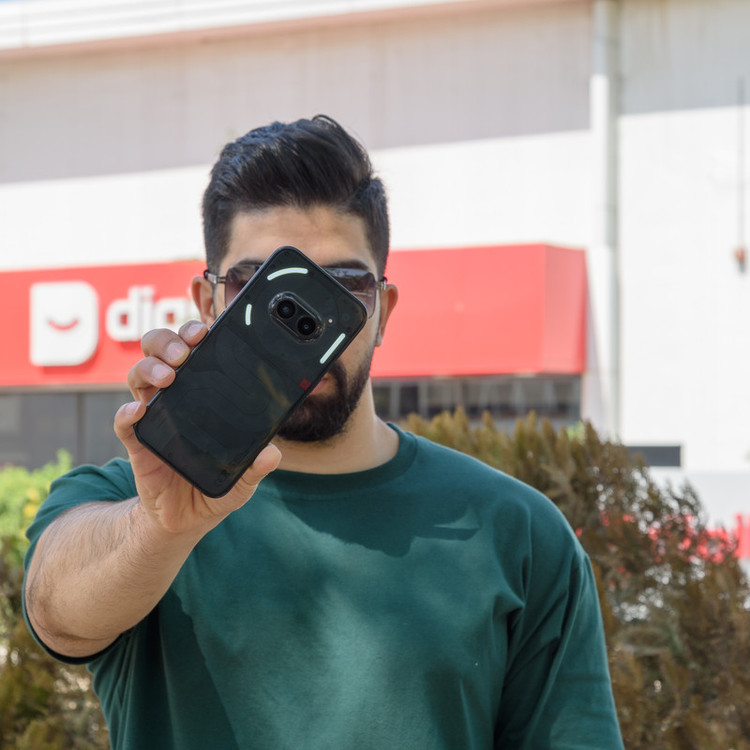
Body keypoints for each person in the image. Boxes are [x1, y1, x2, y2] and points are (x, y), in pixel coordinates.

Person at [23, 115, 624, 749]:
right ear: (209, 303)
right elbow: (55, 616)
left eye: (345, 286)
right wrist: (159, 529)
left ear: (382, 312)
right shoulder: (133, 499)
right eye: (258, 284)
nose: (307, 324)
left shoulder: (518, 531)